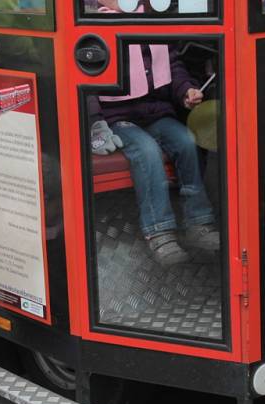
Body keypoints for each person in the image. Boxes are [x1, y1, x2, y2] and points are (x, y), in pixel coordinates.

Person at [88, 23, 219, 266]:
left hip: (155, 112)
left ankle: (198, 221)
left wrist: (186, 91)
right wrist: (95, 123)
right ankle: (159, 230)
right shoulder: (99, 27)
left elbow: (173, 67)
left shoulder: (152, 23)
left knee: (187, 142)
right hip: (116, 118)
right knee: (147, 151)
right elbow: (85, 80)